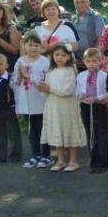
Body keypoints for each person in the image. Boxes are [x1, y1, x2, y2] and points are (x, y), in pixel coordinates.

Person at [36, 43, 84, 172]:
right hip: (53, 105)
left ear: (69, 57)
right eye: (57, 55)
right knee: (56, 129)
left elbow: (68, 90)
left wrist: (49, 89)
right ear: (52, 56)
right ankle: (61, 160)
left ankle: (73, 161)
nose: (60, 58)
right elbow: (47, 90)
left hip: (67, 106)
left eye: (63, 55)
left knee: (69, 130)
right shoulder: (50, 71)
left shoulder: (70, 71)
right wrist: (42, 88)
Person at [12, 32, 51, 168]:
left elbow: (43, 81)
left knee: (41, 127)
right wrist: (20, 77)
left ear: (40, 46)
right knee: (31, 128)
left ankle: (46, 154)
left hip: (39, 99)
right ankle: (35, 154)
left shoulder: (44, 61)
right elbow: (15, 81)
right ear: (24, 45)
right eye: (30, 45)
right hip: (25, 98)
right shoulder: (20, 61)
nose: (33, 48)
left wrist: (28, 75)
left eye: (36, 45)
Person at [76, 48, 108, 173]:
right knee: (90, 134)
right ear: (84, 61)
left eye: (94, 61)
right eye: (88, 61)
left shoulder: (104, 76)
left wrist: (97, 98)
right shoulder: (81, 75)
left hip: (98, 106)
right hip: (85, 106)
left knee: (101, 134)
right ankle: (93, 162)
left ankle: (103, 163)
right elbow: (78, 89)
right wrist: (79, 95)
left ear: (100, 61)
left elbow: (107, 92)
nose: (91, 63)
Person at [0, 53, 22, 164]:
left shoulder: (11, 78)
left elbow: (17, 93)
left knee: (13, 133)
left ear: (6, 65)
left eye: (1, 64)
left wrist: (18, 108)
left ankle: (14, 157)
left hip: (10, 109)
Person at [71, 0, 105, 69]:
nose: (79, 5)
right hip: (77, 61)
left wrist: (91, 58)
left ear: (88, 3)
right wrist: (73, 58)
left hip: (92, 61)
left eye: (82, 2)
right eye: (77, 2)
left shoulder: (96, 17)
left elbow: (101, 39)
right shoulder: (73, 19)